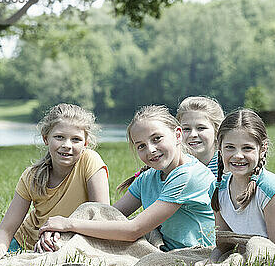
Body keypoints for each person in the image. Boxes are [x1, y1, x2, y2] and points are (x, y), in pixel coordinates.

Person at [40, 105, 215, 251]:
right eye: (141, 146)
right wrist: (60, 230)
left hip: (195, 254)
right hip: (164, 250)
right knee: (91, 212)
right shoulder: (148, 178)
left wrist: (68, 224)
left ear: (177, 135)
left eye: (157, 139)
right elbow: (108, 217)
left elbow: (134, 230)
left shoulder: (189, 176)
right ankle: (55, 243)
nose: (150, 150)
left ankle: (58, 248)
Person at [0, 103, 109, 258]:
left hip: (70, 241)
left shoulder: (90, 161)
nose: (67, 145)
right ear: (46, 138)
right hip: (24, 243)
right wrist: (0, 259)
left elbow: (102, 219)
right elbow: (5, 230)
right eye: (59, 137)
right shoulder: (31, 176)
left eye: (76, 139)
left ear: (85, 143)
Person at [200, 109, 275, 264]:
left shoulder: (270, 189)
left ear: (262, 149)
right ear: (219, 148)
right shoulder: (217, 189)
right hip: (245, 256)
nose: (238, 155)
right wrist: (209, 263)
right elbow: (223, 245)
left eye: (247, 148)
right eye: (230, 147)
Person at [176, 96, 224, 176]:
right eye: (186, 129)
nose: (193, 135)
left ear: (217, 132)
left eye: (201, 128)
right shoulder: (172, 171)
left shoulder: (228, 171)